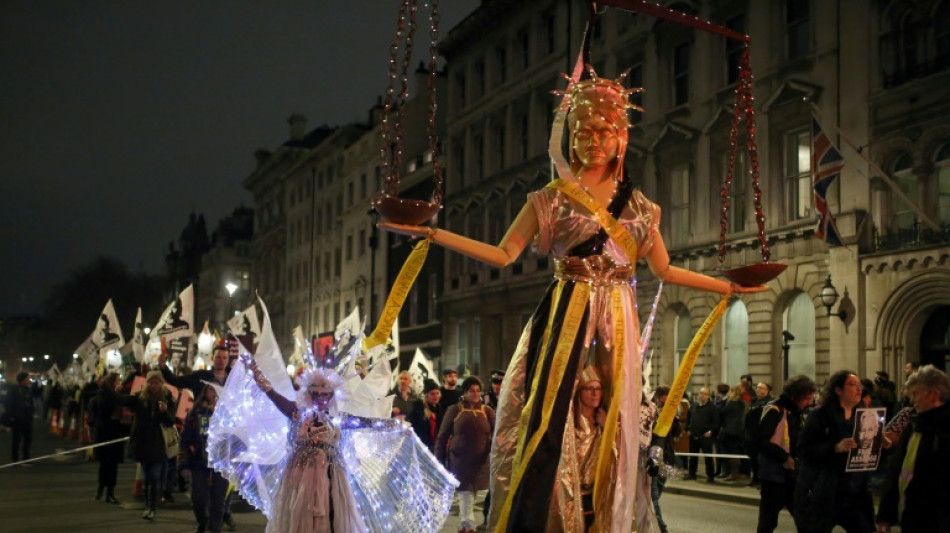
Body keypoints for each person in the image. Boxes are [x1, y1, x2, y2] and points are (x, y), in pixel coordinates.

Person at [379, 66, 762, 532]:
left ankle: (608, 515)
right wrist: (433, 233)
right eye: (582, 131)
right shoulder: (552, 199)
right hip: (566, 311)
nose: (592, 140)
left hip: (619, 313)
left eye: (603, 131)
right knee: (548, 413)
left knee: (617, 415)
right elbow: (503, 254)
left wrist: (728, 286)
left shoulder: (642, 207)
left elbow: (664, 270)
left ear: (620, 138)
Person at [795, 370, 889, 533]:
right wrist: (835, 448)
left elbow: (867, 455)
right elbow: (803, 449)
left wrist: (879, 444)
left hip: (854, 492)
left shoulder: (864, 417)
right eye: (853, 385)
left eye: (860, 385)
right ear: (838, 390)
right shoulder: (820, 414)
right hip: (825, 492)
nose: (859, 389)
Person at [876, 365, 950, 533]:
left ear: (934, 394)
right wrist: (885, 515)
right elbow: (896, 470)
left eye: (916, 394)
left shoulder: (943, 429)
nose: (912, 400)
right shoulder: (914, 426)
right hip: (912, 518)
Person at [755, 375, 816, 533]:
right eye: (807, 398)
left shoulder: (795, 412)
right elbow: (760, 441)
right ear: (796, 395)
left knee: (804, 519)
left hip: (792, 475)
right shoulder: (775, 409)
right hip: (773, 475)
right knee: (768, 522)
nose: (809, 403)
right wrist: (783, 457)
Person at [437, 376, 495, 533]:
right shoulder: (455, 410)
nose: (475, 394)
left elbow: (497, 436)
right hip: (460, 461)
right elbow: (442, 437)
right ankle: (469, 526)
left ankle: (463, 526)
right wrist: (439, 462)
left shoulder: (487, 411)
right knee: (466, 493)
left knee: (472, 493)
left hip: (480, 462)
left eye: (477, 391)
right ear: (465, 393)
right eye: (471, 391)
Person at [117, 370, 176, 521]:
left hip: (158, 444)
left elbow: (170, 422)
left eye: (156, 382)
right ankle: (148, 506)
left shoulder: (167, 398)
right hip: (142, 443)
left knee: (154, 476)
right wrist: (114, 390)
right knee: (148, 476)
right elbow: (122, 400)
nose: (153, 385)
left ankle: (152, 507)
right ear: (147, 383)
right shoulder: (139, 398)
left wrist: (164, 412)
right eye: (151, 382)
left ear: (161, 384)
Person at [181, 385, 228, 533]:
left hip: (221, 464)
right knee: (198, 499)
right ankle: (202, 521)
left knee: (218, 501)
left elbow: (237, 439)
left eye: (216, 390)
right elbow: (184, 439)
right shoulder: (195, 413)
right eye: (210, 389)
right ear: (205, 391)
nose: (213, 393)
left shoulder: (228, 413)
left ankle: (215, 528)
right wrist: (183, 464)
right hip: (199, 463)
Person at [93, 372, 128, 504]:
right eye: (118, 380)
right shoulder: (103, 393)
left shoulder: (118, 394)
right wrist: (114, 394)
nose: (120, 382)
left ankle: (110, 493)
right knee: (104, 464)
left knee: (113, 465)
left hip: (116, 434)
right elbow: (103, 408)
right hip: (105, 433)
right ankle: (100, 488)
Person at [685, 387, 719, 482]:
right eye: (701, 393)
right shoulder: (694, 406)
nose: (702, 395)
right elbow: (689, 418)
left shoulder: (713, 408)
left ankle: (710, 476)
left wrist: (711, 431)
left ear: (708, 396)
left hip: (705, 436)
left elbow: (716, 422)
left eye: (704, 394)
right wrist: (688, 429)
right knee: (692, 456)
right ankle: (692, 474)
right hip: (693, 435)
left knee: (708, 457)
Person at [717, 385, 748, 481]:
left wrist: (722, 401)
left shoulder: (733, 403)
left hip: (731, 431)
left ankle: (734, 473)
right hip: (734, 431)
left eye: (730, 391)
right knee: (732, 452)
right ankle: (732, 472)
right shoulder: (739, 403)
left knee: (732, 453)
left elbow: (722, 412)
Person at [745, 381, 773, 486]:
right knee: (753, 459)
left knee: (763, 460)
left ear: (767, 390)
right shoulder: (753, 401)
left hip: (762, 435)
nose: (759, 390)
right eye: (758, 388)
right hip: (752, 435)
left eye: (762, 388)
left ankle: (763, 480)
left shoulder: (770, 402)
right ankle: (755, 478)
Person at [4, 372, 35, 464]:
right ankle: (15, 459)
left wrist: (31, 412)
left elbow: (31, 402)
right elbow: (7, 403)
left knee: (28, 439)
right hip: (17, 419)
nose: (29, 380)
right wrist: (12, 415)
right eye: (28, 379)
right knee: (16, 440)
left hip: (27, 418)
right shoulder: (13, 390)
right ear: (22, 380)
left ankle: (26, 459)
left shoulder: (28, 390)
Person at [407, 379, 444, 452]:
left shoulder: (439, 409)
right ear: (427, 395)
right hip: (422, 447)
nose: (436, 396)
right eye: (432, 394)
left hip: (435, 446)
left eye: (437, 393)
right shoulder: (419, 409)